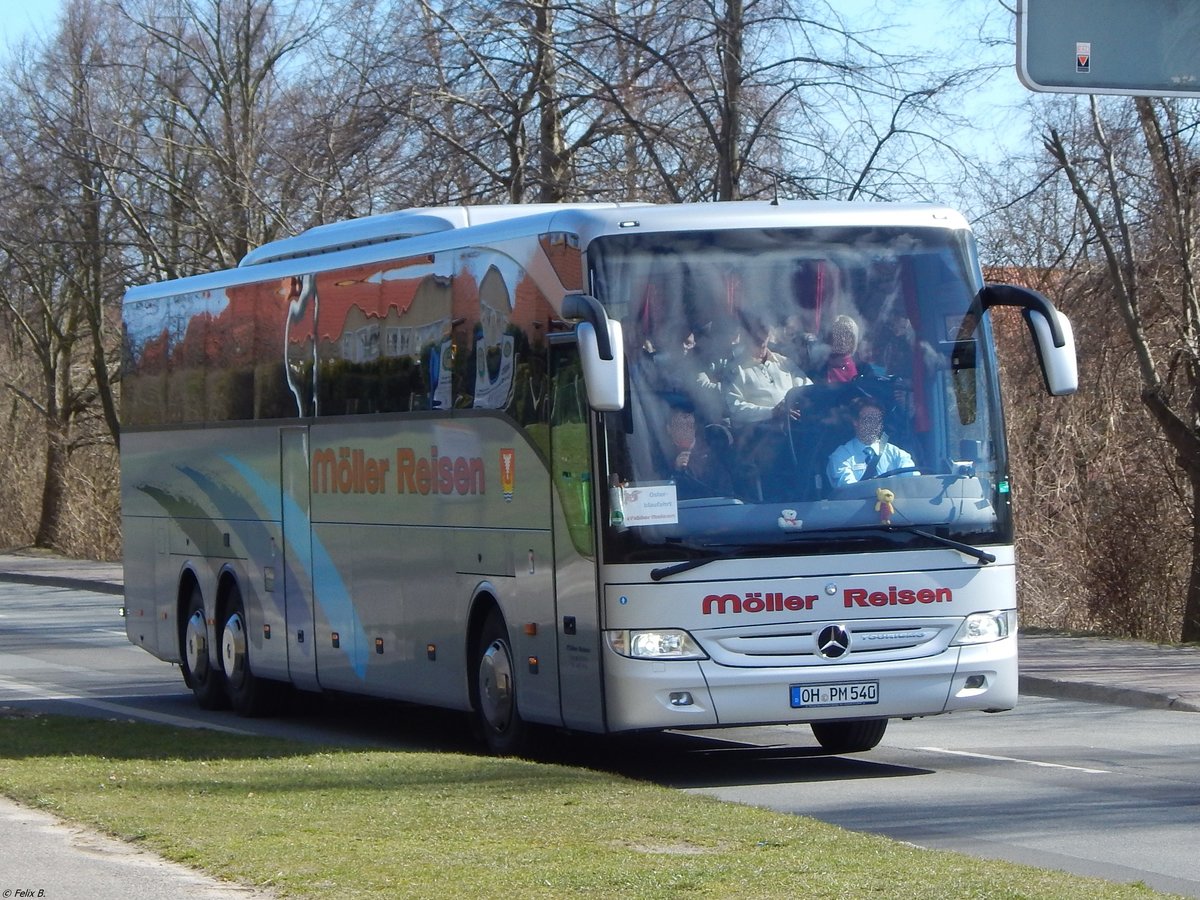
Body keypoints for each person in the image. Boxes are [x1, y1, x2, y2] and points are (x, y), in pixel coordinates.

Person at [724, 318, 812, 424]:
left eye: (764, 330)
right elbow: (736, 409)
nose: (760, 335)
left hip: (795, 424)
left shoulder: (784, 362)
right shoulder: (734, 370)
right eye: (754, 331)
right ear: (744, 334)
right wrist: (772, 412)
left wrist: (797, 402)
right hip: (763, 431)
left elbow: (807, 387)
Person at [827, 400, 918, 487]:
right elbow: (849, 491)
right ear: (855, 422)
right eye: (868, 419)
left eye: (877, 420)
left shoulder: (897, 454)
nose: (874, 425)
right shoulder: (841, 456)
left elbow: (913, 483)